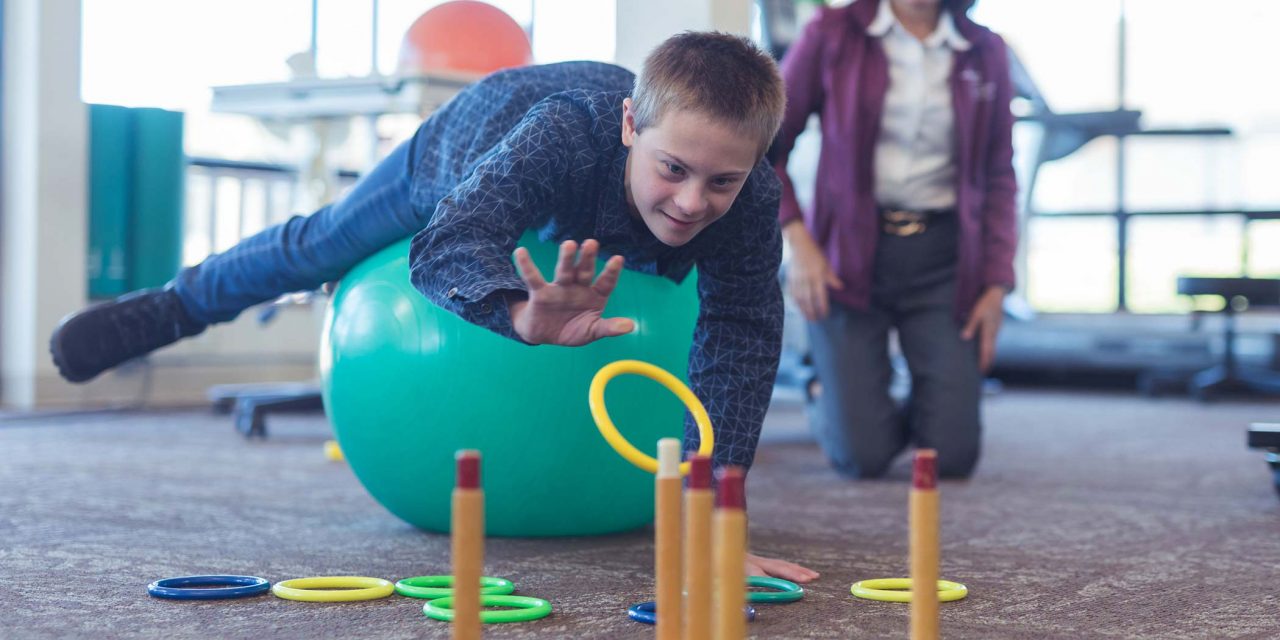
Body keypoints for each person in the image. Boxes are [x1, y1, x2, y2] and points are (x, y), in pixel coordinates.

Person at [50, 31, 818, 582]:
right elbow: (452, 241)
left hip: (600, 209)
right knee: (322, 244)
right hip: (470, 148)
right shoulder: (562, 134)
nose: (692, 200)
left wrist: (714, 509)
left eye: (720, 181)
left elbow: (741, 336)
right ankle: (170, 309)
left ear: (754, 165)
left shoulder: (749, 196)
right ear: (629, 125)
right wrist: (518, 313)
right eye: (674, 169)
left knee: (726, 275)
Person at [770, 0, 1017, 479]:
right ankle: (824, 383)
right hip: (846, 254)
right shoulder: (832, 32)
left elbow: (1000, 175)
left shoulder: (986, 50)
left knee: (952, 455)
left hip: (944, 259)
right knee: (861, 457)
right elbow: (766, 143)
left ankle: (900, 394)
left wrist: (997, 281)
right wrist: (798, 242)